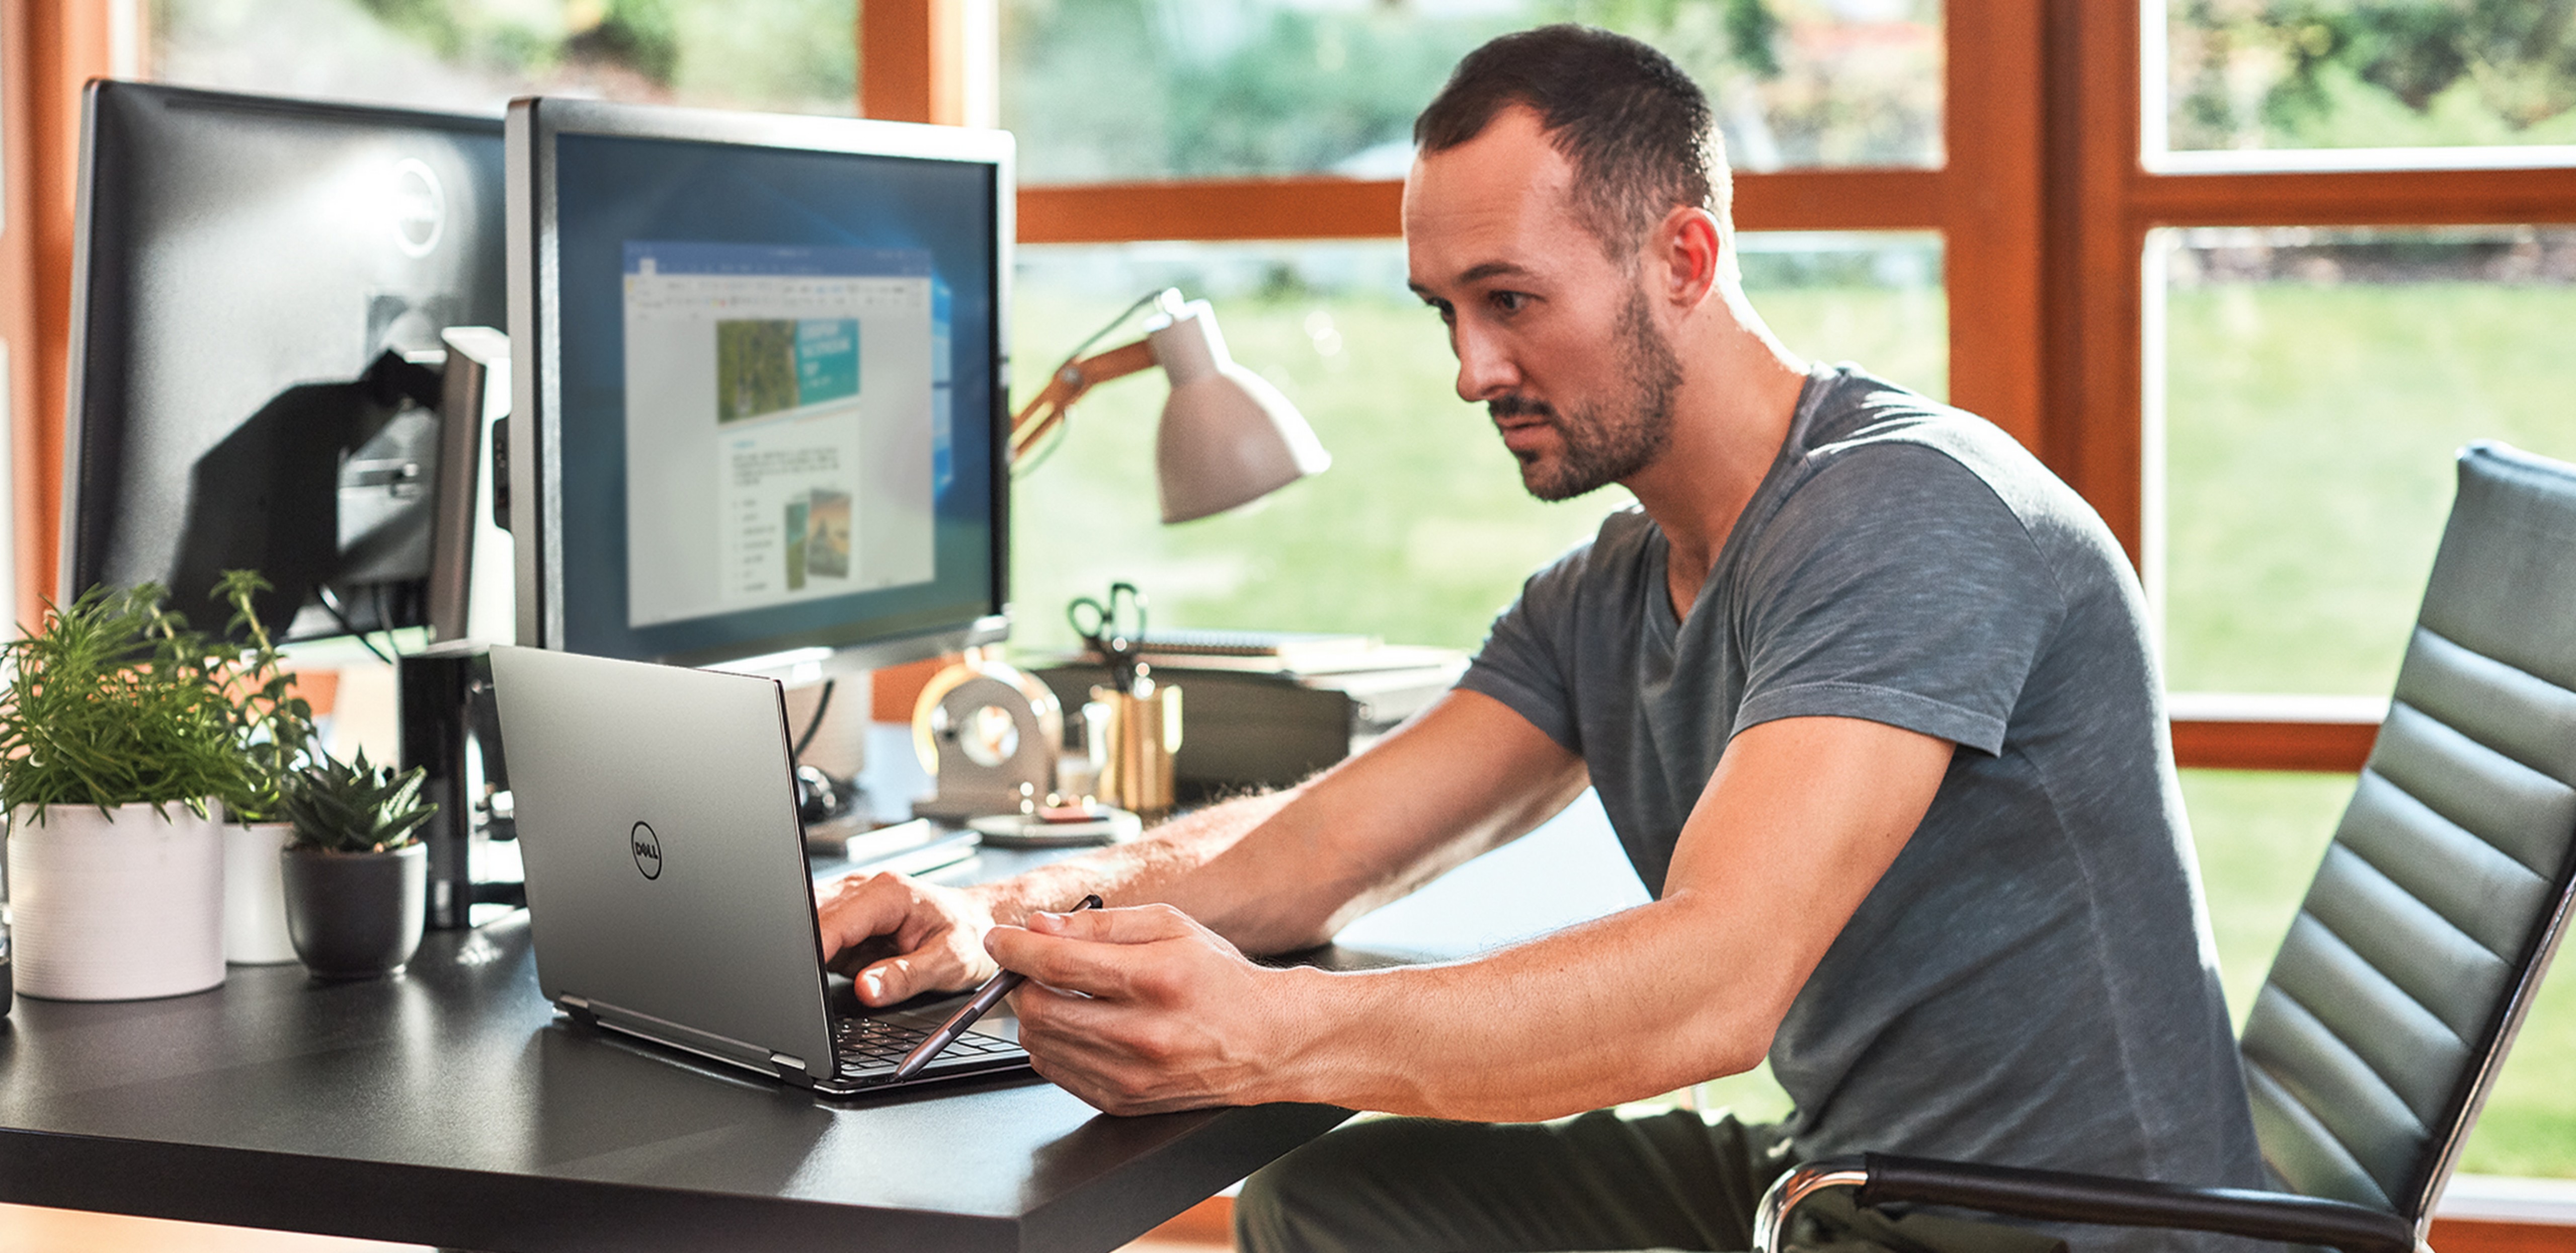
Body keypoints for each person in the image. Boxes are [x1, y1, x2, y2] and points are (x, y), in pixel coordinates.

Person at [817, 24, 2267, 1253]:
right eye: (1446, 310)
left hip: (2043, 1222)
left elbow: (1713, 979)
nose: (1471, 369)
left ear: (1683, 258)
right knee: (1337, 1206)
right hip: (1857, 1171)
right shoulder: (1617, 582)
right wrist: (1021, 921)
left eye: (1510, 300)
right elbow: (1331, 843)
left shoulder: (1906, 517)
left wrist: (1271, 1030)